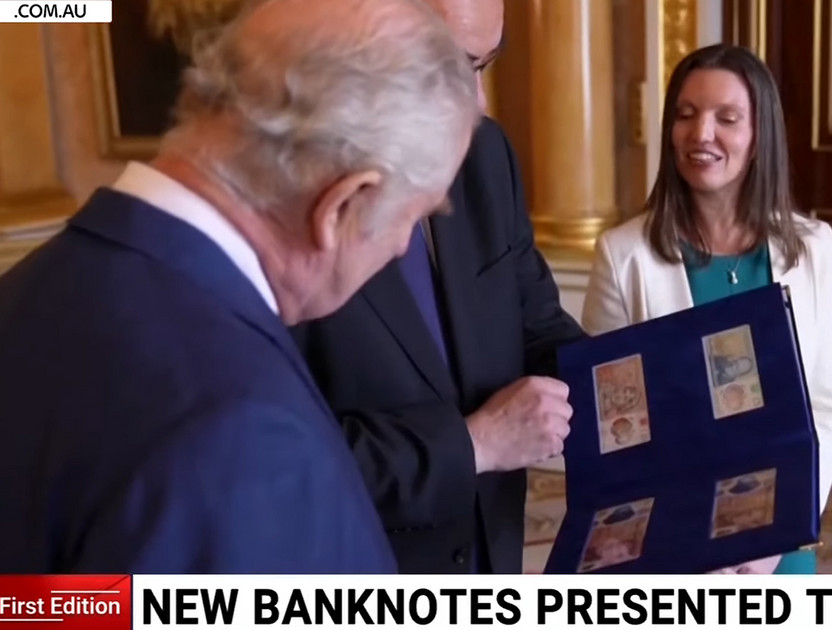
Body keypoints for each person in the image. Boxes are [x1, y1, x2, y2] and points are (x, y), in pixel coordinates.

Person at [0, 0, 478, 572]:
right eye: (415, 215)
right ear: (343, 205)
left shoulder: (27, 291)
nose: (403, 246)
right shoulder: (242, 436)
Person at [290, 0, 583, 574]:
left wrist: (646, 394)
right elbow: (282, 464)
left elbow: (538, 325)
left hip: (492, 554)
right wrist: (475, 445)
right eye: (454, 66)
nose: (479, 102)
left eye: (484, 65)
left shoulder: (487, 153)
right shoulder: (287, 195)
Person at [581, 43, 832, 574]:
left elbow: (828, 404)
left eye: (726, 118)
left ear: (759, 136)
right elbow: (611, 424)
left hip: (780, 537)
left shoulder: (814, 247)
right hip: (668, 534)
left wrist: (776, 532)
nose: (701, 133)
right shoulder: (622, 254)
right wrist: (680, 532)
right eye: (686, 115)